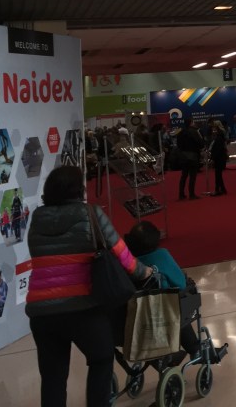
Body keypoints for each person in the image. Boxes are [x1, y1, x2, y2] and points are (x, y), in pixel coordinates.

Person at [26, 164, 152, 407]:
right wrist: (143, 271)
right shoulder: (91, 214)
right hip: (83, 307)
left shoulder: (37, 219)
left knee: (53, 376)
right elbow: (121, 254)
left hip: (42, 311)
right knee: (101, 358)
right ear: (78, 190)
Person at [123, 221, 226, 365]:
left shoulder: (126, 260)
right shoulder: (161, 256)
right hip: (162, 310)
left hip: (132, 312)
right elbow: (180, 283)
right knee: (179, 306)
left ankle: (176, 353)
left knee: (168, 308)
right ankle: (195, 349)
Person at [177, 120, 205, 199]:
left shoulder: (181, 132)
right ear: (191, 123)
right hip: (193, 156)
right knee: (192, 176)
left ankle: (181, 194)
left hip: (183, 156)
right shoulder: (195, 132)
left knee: (184, 176)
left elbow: (178, 144)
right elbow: (201, 144)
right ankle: (191, 194)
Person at [208, 121, 229, 196]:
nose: (212, 129)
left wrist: (213, 158)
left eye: (214, 128)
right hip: (219, 158)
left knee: (218, 175)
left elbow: (218, 149)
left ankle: (218, 190)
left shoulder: (219, 137)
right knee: (218, 175)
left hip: (219, 158)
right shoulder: (219, 136)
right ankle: (222, 189)